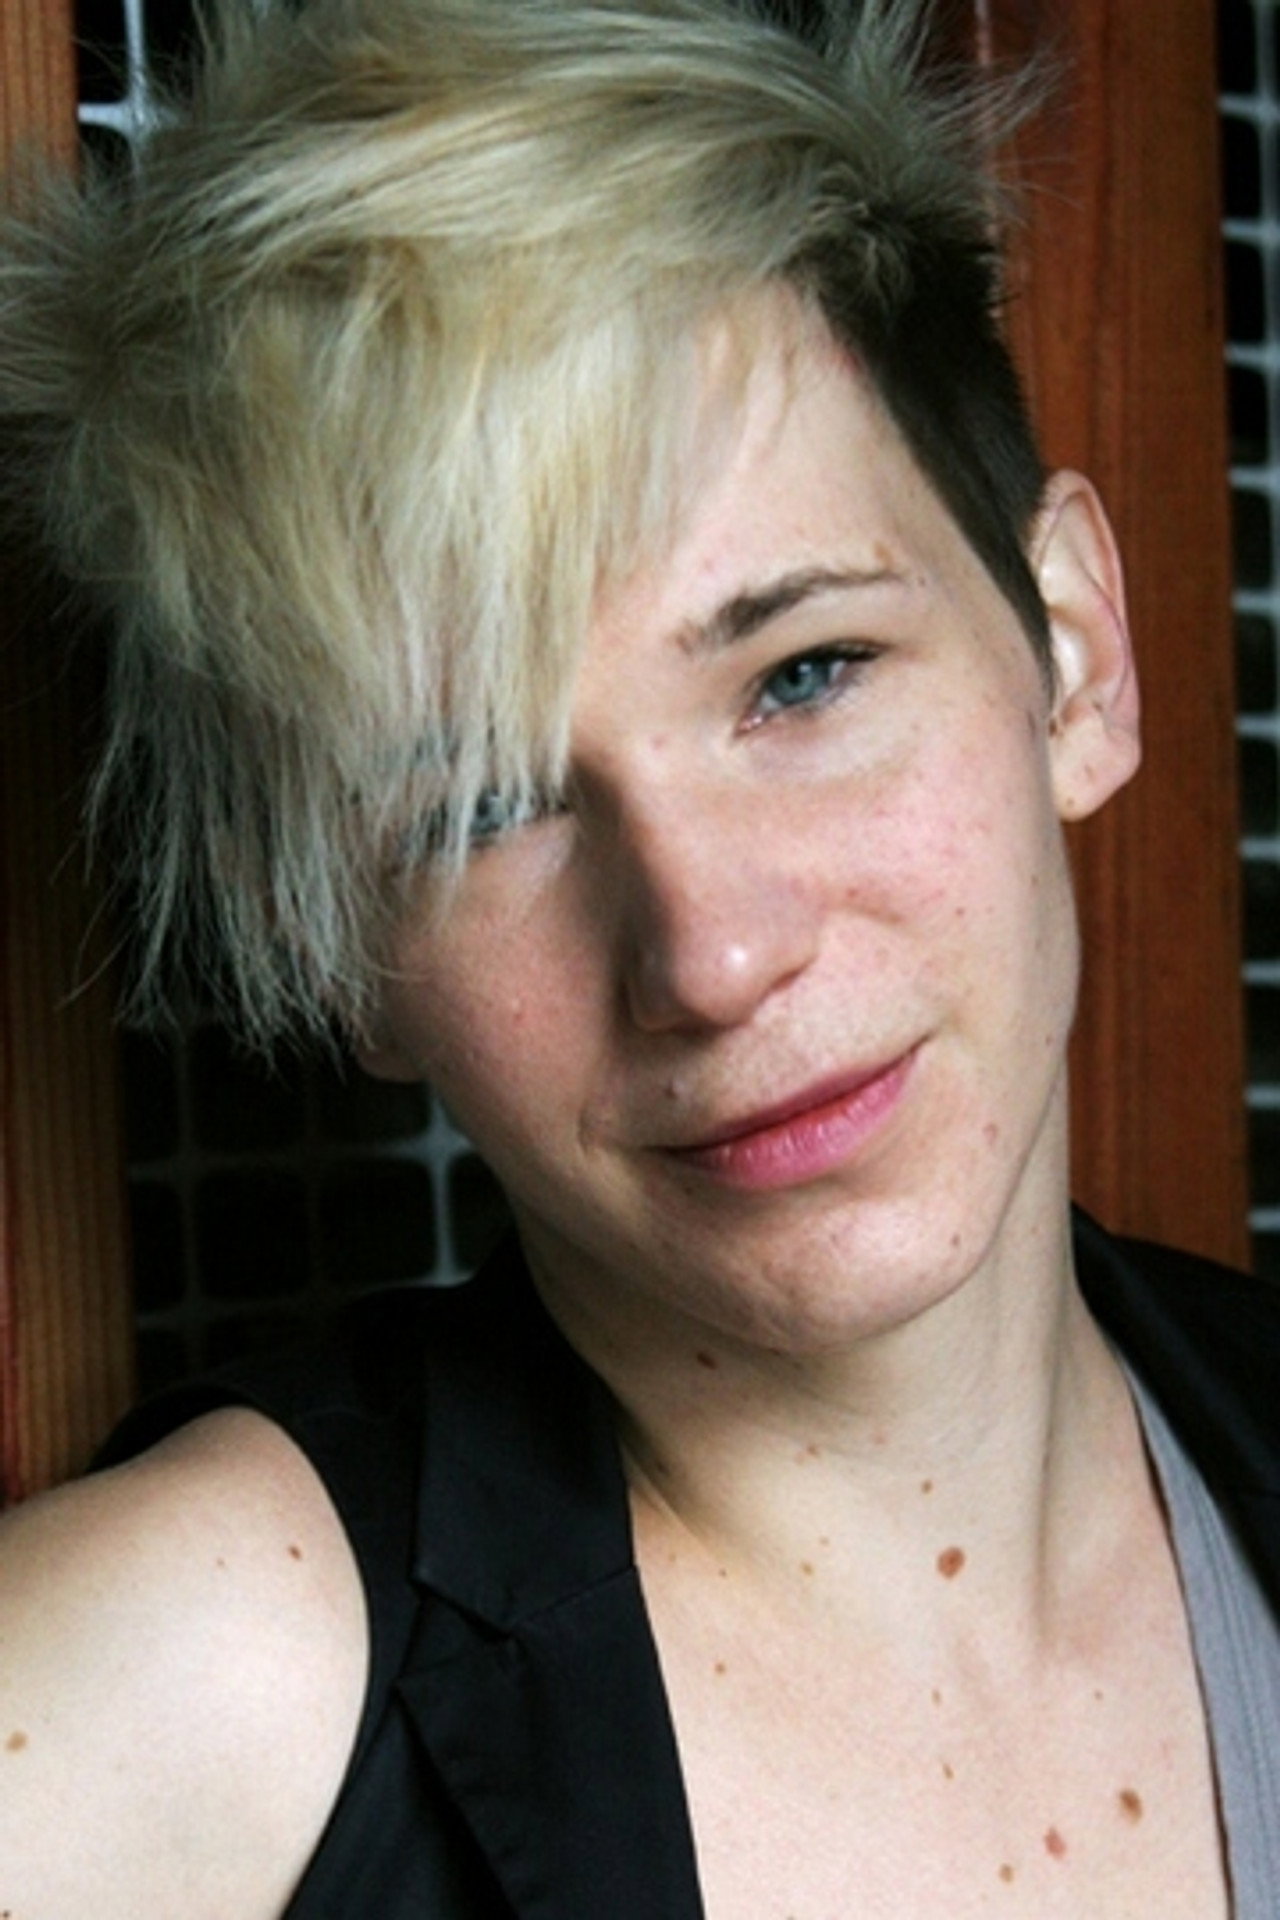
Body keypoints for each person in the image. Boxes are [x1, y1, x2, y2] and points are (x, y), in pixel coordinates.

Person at [0, 0, 1274, 1913]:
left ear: (1075, 654)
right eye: (479, 809)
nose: (716, 953)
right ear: (335, 950)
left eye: (805, 675)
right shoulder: (180, 1680)